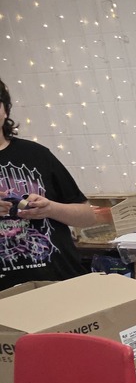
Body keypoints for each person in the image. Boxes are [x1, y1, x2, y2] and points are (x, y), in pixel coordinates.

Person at [0, 77, 97, 291]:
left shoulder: (37, 155)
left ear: (5, 111)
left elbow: (88, 216)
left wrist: (50, 209)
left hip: (60, 280)